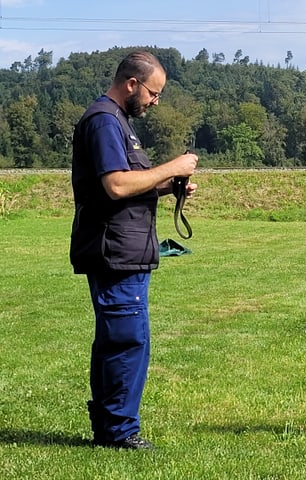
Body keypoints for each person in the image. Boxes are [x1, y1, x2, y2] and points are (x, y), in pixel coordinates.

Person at [70, 51, 198, 450]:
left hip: (122, 250)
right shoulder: (105, 121)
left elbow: (127, 183)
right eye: (153, 94)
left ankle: (110, 427)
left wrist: (165, 186)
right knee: (127, 340)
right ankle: (120, 432)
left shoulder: (116, 122)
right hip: (115, 254)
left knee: (117, 339)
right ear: (132, 84)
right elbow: (117, 186)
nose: (155, 102)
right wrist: (172, 167)